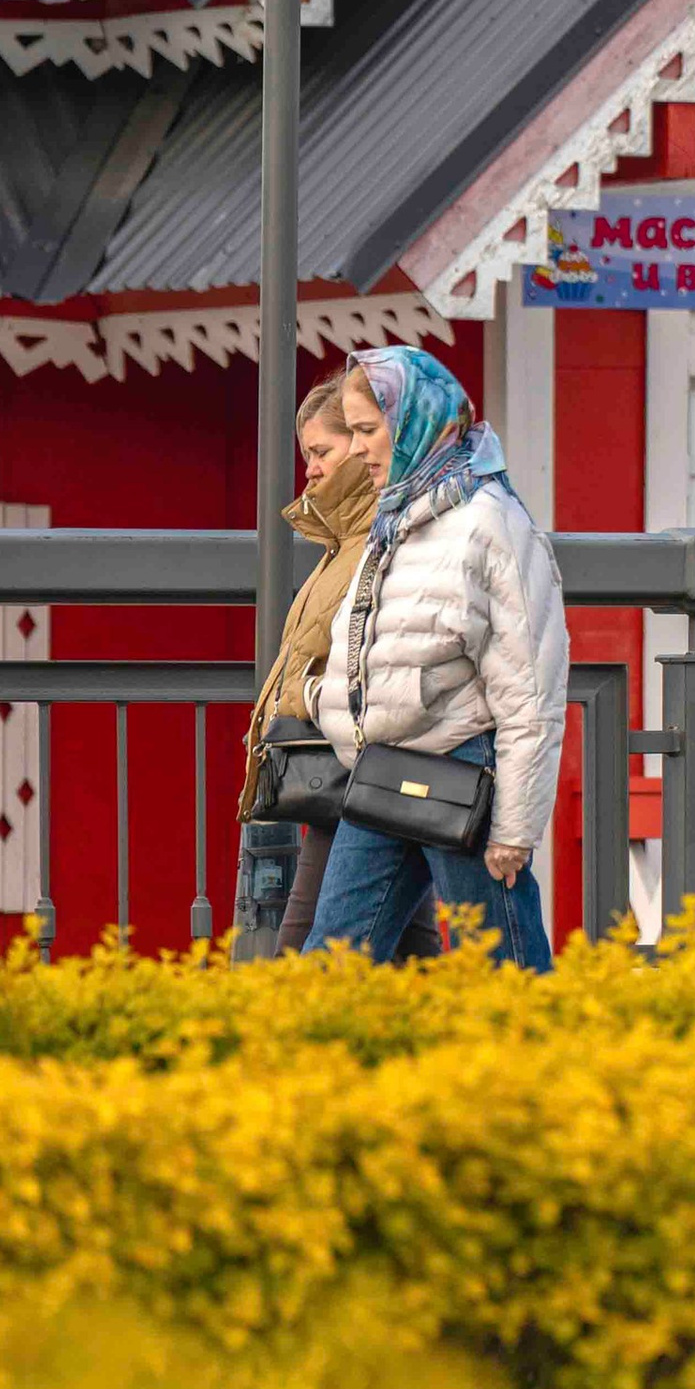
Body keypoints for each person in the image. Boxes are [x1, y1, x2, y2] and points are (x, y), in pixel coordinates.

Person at [304, 347, 567, 967]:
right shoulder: (396, 516)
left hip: (459, 769)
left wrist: (514, 827)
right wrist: (322, 699)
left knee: (502, 966)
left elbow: (531, 687)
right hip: (382, 771)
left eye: (370, 430)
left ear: (417, 418)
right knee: (329, 964)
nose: (361, 447)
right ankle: (304, 1066)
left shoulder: (489, 522)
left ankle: (558, 1064)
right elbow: (366, 643)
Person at [234, 370, 433, 958]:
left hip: (362, 767)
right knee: (407, 949)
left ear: (365, 443)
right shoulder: (347, 544)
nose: (312, 469)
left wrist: (303, 699)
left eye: (322, 451)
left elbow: (369, 653)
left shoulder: (379, 537)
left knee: (307, 948)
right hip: (356, 765)